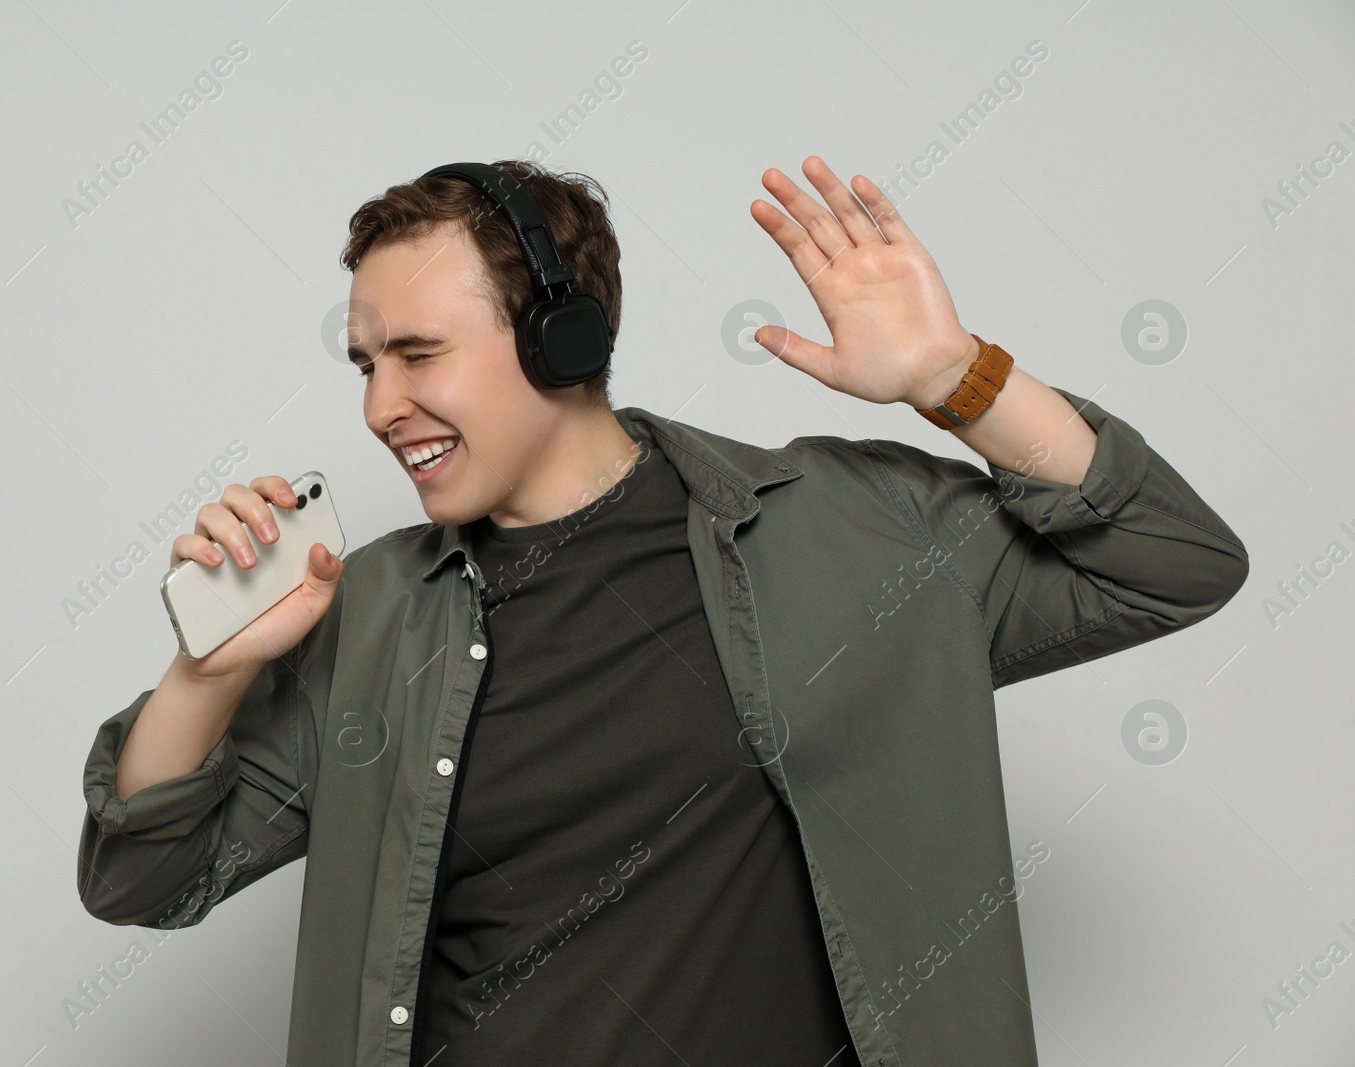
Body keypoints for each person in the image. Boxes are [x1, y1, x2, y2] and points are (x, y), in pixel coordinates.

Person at [76, 157, 1249, 1067]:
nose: (383, 404)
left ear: (560, 334)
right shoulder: (372, 611)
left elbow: (1169, 559)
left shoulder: (845, 526)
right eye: (364, 363)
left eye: (418, 352)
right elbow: (143, 881)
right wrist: (207, 675)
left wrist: (954, 377)